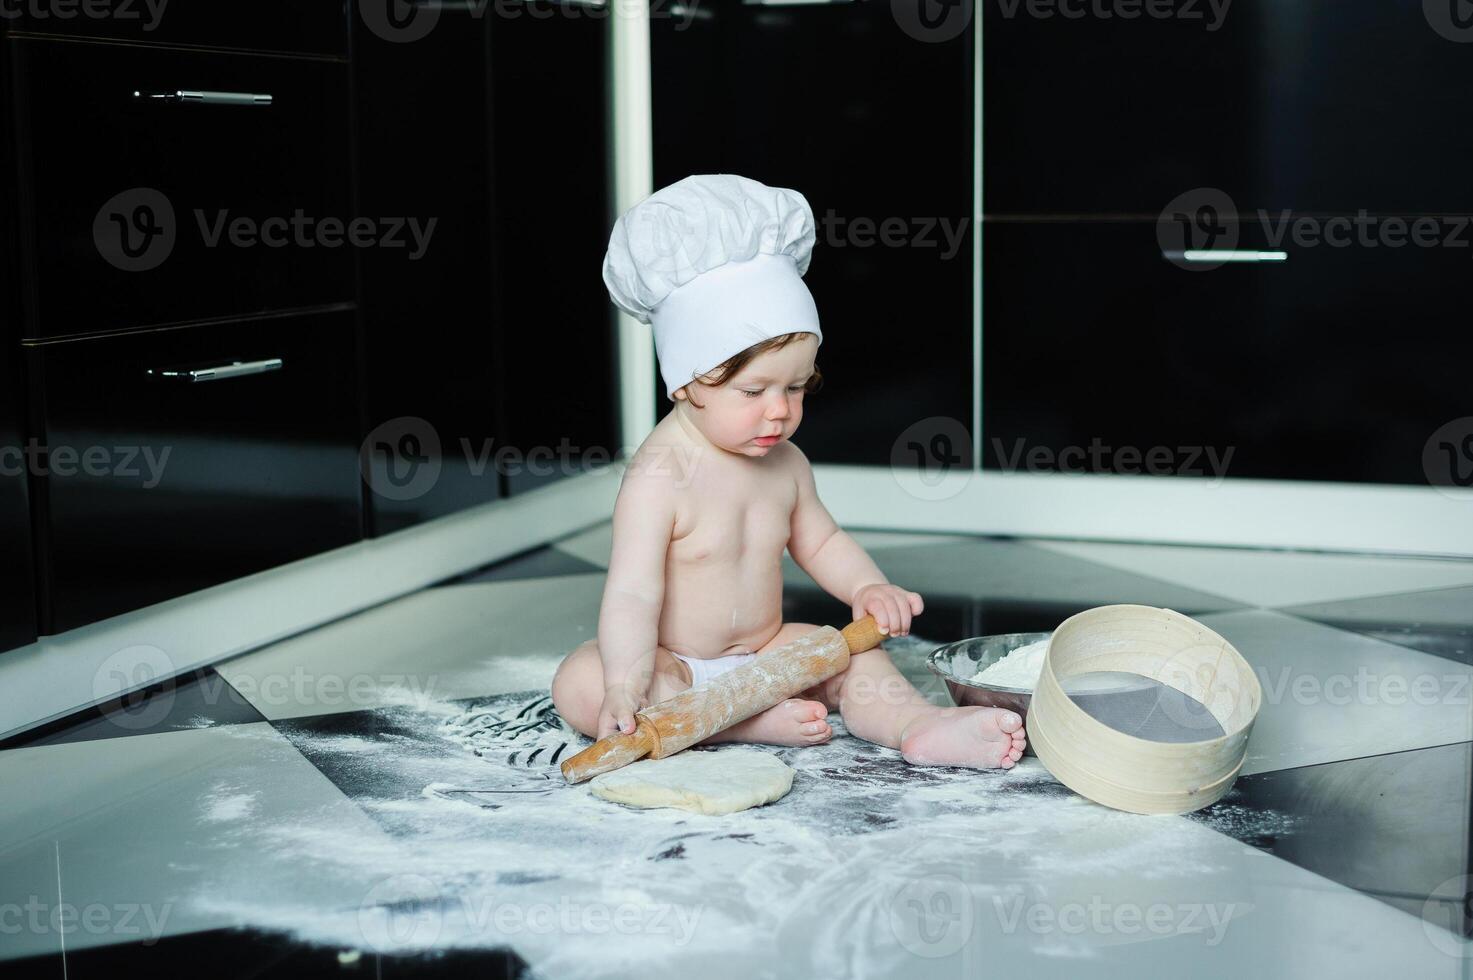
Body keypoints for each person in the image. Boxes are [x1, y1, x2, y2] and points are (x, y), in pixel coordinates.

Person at [550, 174, 1025, 769]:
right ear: (686, 381)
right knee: (580, 681)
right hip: (674, 662)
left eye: (797, 387)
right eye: (754, 390)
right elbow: (632, 592)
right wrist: (624, 679)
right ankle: (738, 724)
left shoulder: (785, 462)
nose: (780, 410)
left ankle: (916, 726)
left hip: (765, 652)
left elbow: (820, 540)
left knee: (851, 660)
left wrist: (865, 588)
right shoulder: (659, 476)